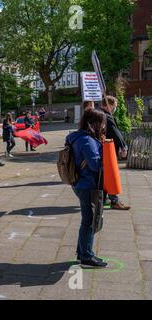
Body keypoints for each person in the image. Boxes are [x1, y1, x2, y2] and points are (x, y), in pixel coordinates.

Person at [65, 109, 108, 267]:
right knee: (89, 221)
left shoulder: (77, 137)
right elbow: (96, 166)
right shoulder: (87, 141)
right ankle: (86, 257)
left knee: (87, 220)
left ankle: (81, 253)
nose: (104, 125)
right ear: (95, 123)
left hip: (79, 183)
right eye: (102, 122)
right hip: (87, 184)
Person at [101, 96, 131, 210]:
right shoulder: (106, 116)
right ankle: (114, 201)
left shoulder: (99, 114)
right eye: (114, 106)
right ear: (110, 105)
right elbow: (115, 132)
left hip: (101, 150)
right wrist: (123, 147)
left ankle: (103, 200)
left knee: (104, 176)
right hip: (107, 151)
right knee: (111, 175)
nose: (115, 109)